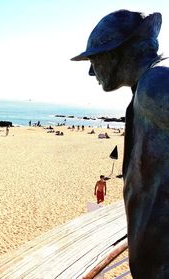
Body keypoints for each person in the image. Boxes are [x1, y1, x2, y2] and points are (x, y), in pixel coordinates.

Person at [71, 9, 169, 277]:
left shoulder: (155, 84)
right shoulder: (149, 85)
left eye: (94, 59)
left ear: (114, 55)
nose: (92, 72)